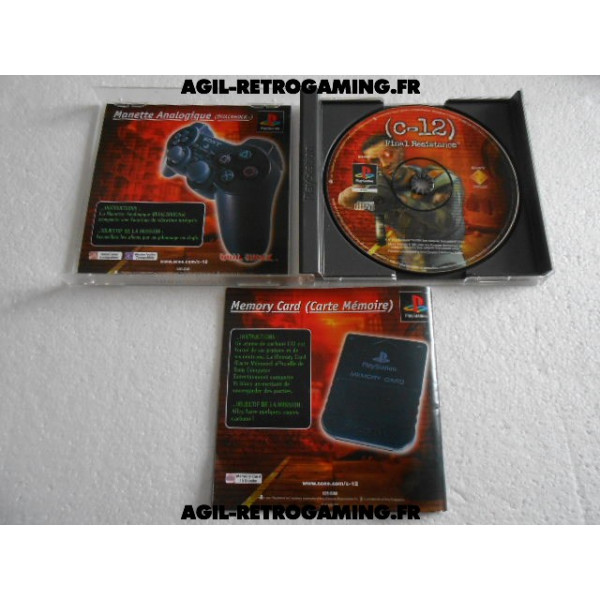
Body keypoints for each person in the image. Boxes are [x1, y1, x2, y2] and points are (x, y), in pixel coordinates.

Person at [338, 135, 466, 271]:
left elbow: (448, 223)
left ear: (400, 151)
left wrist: (404, 202)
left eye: (388, 155)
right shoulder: (378, 184)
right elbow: (343, 200)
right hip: (410, 256)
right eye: (375, 161)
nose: (384, 164)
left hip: (445, 252)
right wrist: (358, 188)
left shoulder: (443, 179)